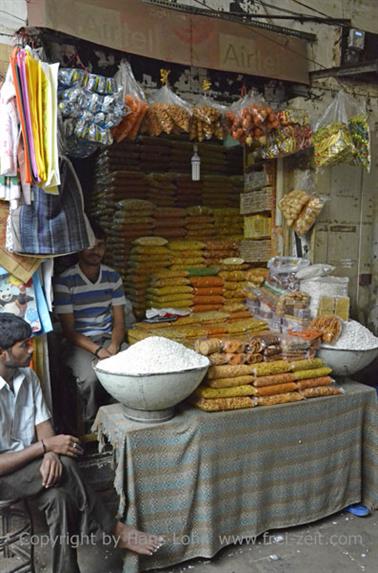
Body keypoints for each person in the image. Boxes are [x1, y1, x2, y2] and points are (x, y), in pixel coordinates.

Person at [0, 313, 162, 573]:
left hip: (31, 465)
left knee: (59, 498)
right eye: (24, 345)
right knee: (64, 460)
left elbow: (43, 424)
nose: (31, 349)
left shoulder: (27, 377)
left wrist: (50, 454)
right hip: (4, 476)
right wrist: (46, 448)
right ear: (2, 354)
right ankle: (113, 529)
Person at [54, 223, 127, 428]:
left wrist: (113, 346)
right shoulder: (65, 281)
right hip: (79, 343)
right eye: (91, 245)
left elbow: (119, 323)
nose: (96, 251)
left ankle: (120, 421)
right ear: (79, 247)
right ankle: (93, 425)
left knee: (131, 370)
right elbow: (69, 331)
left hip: (107, 339)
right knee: (91, 379)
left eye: (101, 246)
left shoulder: (113, 277)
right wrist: (98, 350)